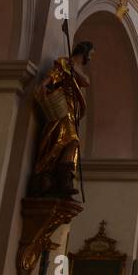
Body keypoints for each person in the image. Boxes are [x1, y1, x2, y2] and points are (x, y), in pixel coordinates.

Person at [31, 41, 94, 198]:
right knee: (68, 139)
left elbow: (86, 81)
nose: (91, 58)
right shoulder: (64, 63)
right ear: (84, 52)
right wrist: (44, 85)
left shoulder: (75, 68)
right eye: (91, 54)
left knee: (69, 142)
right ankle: (57, 176)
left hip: (73, 110)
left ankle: (61, 177)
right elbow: (53, 75)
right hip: (61, 106)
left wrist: (73, 70)